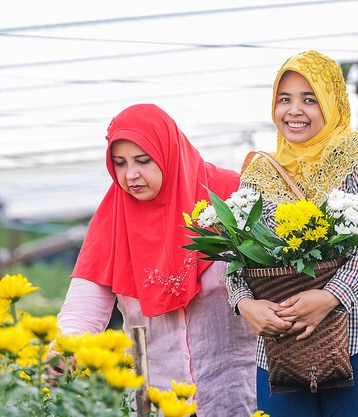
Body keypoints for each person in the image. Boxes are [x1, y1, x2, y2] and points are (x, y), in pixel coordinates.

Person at [226, 50, 358, 417]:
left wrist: (330, 297)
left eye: (309, 99)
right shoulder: (260, 173)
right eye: (285, 99)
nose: (294, 110)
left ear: (332, 102)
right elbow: (236, 255)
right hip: (283, 352)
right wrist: (244, 304)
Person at [49, 103, 257, 416]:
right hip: (156, 399)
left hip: (236, 390)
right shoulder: (113, 219)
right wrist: (62, 350)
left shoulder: (230, 195)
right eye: (119, 163)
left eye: (142, 161)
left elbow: (273, 275)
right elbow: (83, 308)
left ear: (168, 152)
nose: (130, 174)